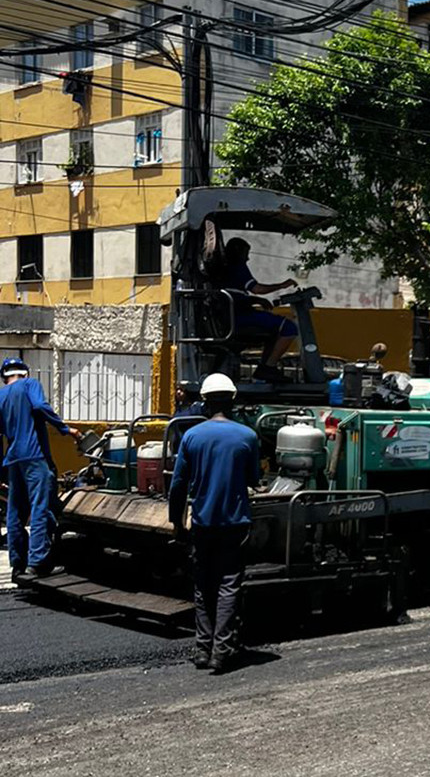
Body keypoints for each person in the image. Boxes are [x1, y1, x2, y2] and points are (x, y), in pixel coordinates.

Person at [168, 373, 259, 673]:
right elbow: (253, 481)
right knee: (229, 585)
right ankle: (222, 651)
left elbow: (178, 486)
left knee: (203, 584)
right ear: (232, 401)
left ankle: (202, 650)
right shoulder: (247, 436)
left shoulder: (192, 436)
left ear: (205, 402)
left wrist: (177, 523)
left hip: (203, 522)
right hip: (235, 522)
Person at [0, 358, 80, 579]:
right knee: (40, 508)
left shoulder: (1, 396)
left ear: (5, 377)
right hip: (34, 457)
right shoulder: (30, 384)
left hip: (13, 460)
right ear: (24, 373)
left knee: (15, 513)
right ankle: (38, 562)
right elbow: (40, 406)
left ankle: (17, 565)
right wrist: (66, 429)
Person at [216, 236, 299, 383]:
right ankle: (267, 368)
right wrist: (281, 286)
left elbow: (236, 293)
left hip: (230, 315)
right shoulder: (238, 266)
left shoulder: (222, 269)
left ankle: (267, 366)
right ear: (238, 252)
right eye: (246, 254)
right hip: (240, 317)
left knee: (274, 332)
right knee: (289, 327)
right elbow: (257, 288)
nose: (247, 258)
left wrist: (257, 300)